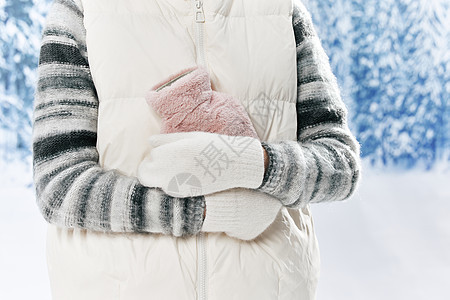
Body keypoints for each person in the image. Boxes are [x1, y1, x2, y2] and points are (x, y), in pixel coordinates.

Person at [32, 0, 362, 299]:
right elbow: (58, 185)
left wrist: (252, 163)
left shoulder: (283, 10)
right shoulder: (83, 9)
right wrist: (207, 211)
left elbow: (341, 165)